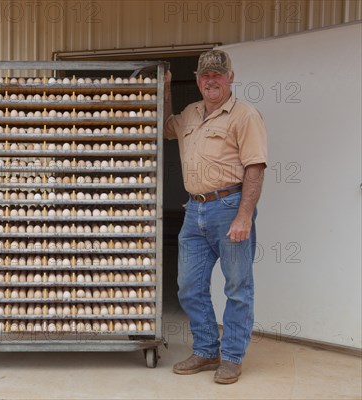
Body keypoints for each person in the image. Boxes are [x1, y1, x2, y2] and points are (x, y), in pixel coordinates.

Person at [163, 50, 267, 384]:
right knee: (189, 287)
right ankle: (207, 349)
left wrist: (244, 216)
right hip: (194, 210)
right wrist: (165, 89)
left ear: (230, 78)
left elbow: (255, 167)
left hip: (229, 206)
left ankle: (232, 357)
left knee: (237, 287)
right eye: (206, 75)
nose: (211, 80)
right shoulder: (191, 113)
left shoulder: (244, 115)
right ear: (197, 79)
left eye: (218, 75)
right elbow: (166, 128)